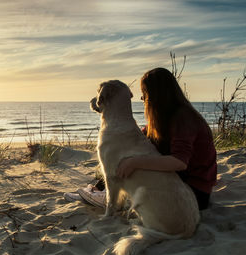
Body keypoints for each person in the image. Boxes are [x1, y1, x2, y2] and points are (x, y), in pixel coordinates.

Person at [65, 67, 217, 210]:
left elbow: (179, 162)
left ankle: (104, 197)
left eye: (145, 93)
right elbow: (140, 140)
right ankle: (98, 190)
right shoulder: (165, 118)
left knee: (132, 160)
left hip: (193, 194)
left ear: (157, 95)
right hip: (179, 185)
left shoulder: (183, 119)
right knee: (124, 154)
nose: (142, 98)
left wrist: (134, 162)